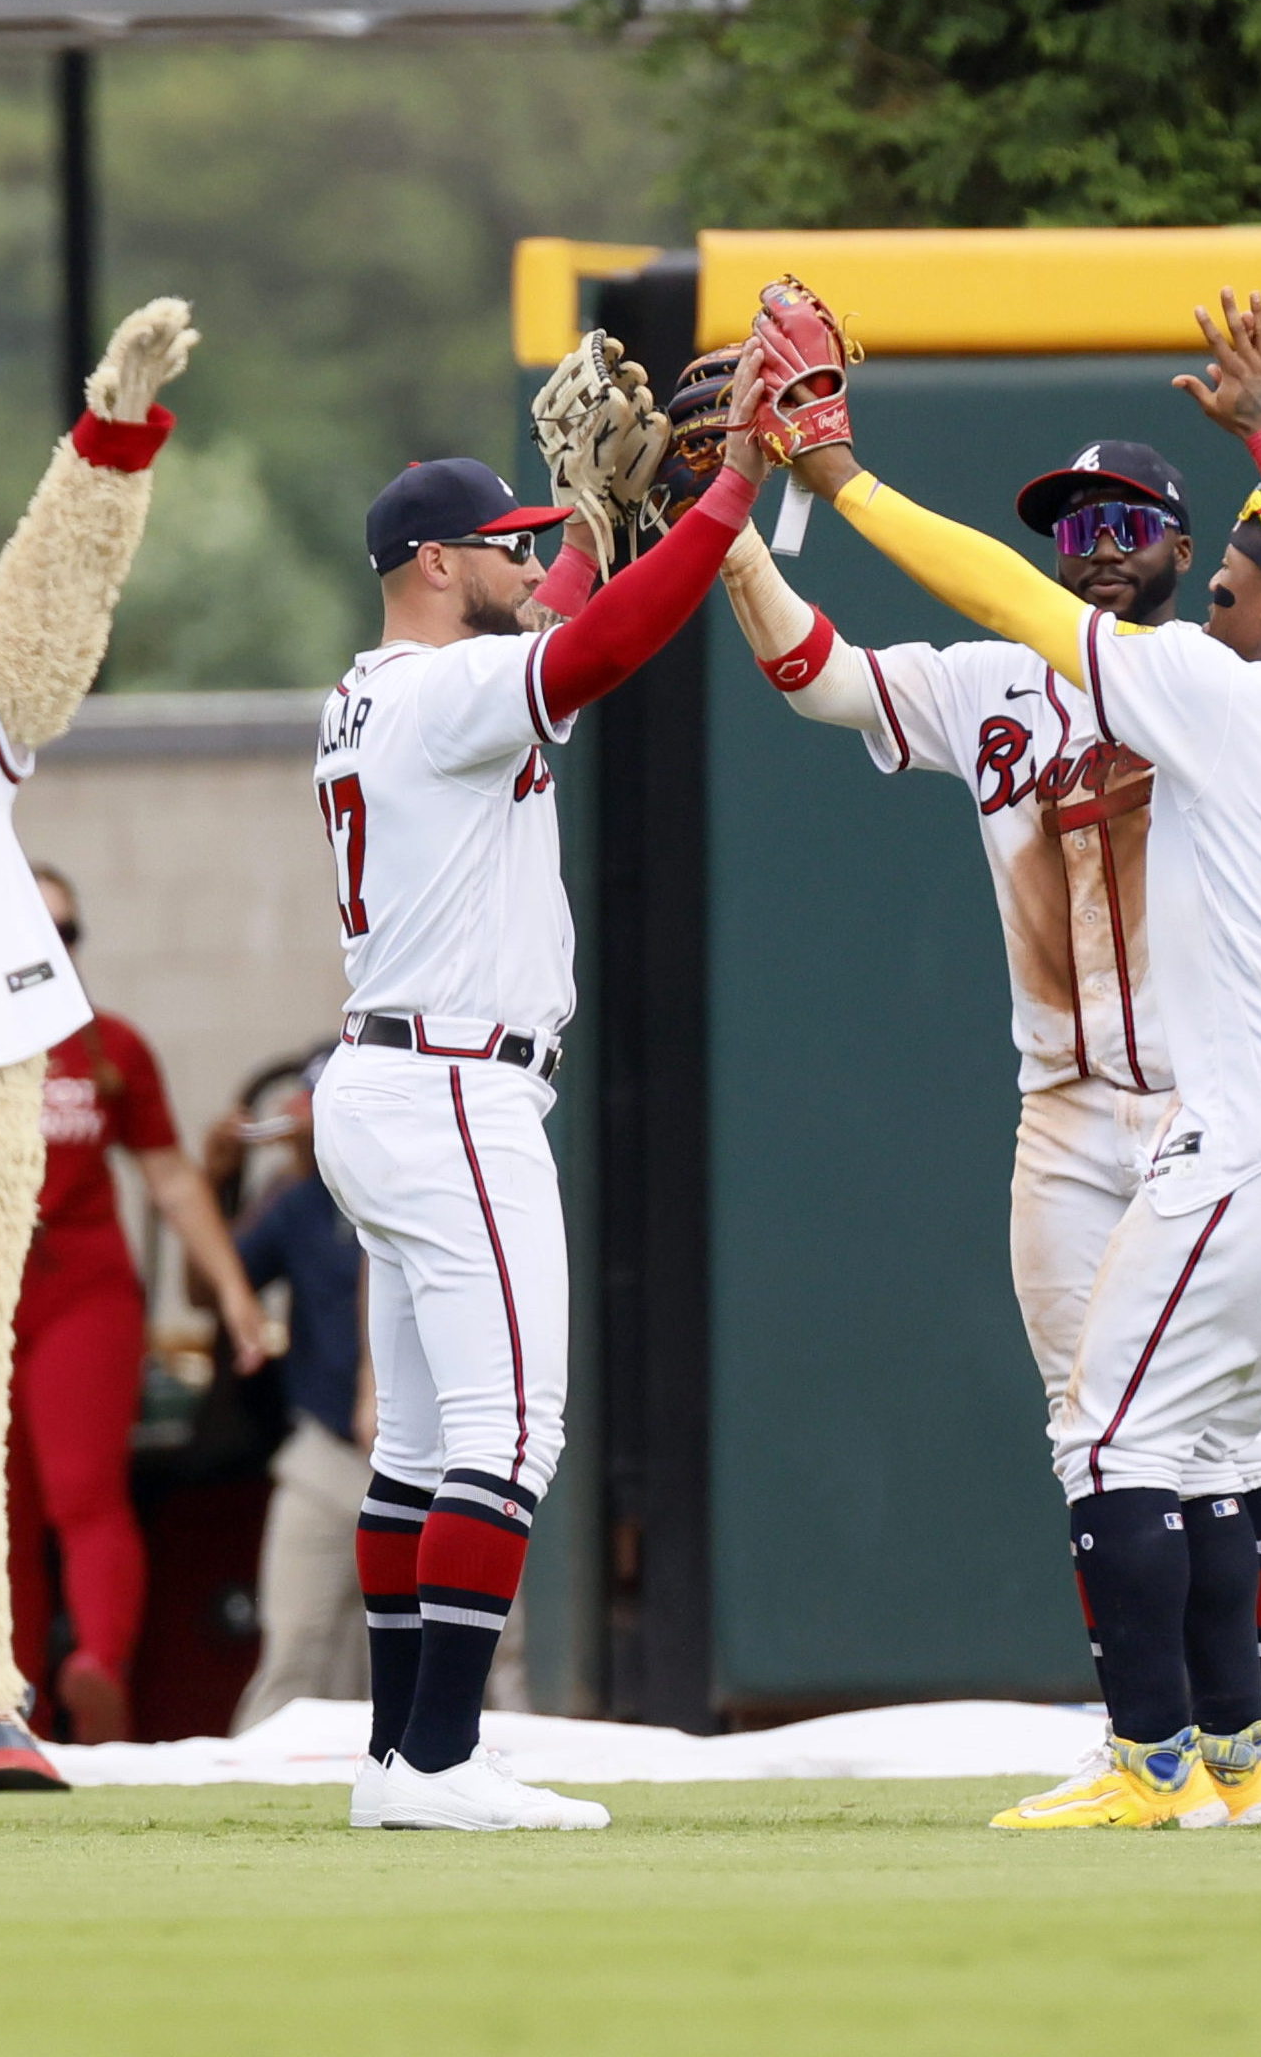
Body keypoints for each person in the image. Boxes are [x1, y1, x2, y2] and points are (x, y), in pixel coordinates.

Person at [756, 283, 1261, 1829]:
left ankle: (1144, 1763)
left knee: (1113, 1436)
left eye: (1242, 573)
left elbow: (1008, 593)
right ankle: (1246, 1769)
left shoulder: (1215, 696)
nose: (1222, 593)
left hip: (1253, 1147)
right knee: (1202, 1439)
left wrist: (835, 474)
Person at [716, 413, 1261, 1748]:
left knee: (1233, 1432)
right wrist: (731, 536)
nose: (1095, 552)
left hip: (1208, 1107)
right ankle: (1163, 1744)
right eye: (1070, 529)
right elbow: (819, 676)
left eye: (1125, 526)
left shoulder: (1216, 680)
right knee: (1095, 1437)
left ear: (1179, 546)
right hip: (1062, 1112)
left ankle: (1242, 1743)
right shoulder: (992, 679)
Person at [314, 342, 767, 1832]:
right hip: (453, 1087)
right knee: (511, 1435)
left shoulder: (387, 688)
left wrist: (578, 536)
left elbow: (562, 621)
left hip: (390, 1078)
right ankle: (439, 1760)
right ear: (433, 564)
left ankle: (402, 1757)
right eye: (501, 544)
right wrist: (729, 493)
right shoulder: (447, 696)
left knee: (427, 1446)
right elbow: (596, 649)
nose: (528, 558)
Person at [6, 864, 270, 1743]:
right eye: (33, 926)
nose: (54, 947)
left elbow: (169, 1175)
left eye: (68, 931)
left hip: (82, 1289)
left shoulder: (110, 1046)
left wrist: (232, 1293)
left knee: (84, 1491)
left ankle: (99, 1668)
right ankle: (5, 1706)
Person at [209, 1053, 371, 1730]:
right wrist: (219, 1177)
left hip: (431, 1457)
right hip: (328, 1448)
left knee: (393, 1666)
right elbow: (210, 1285)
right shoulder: (299, 1197)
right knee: (296, 1652)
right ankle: (249, 1803)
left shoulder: (433, 1186)